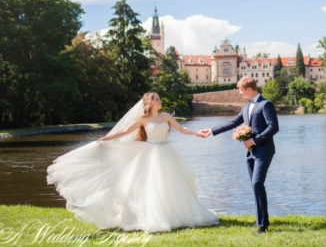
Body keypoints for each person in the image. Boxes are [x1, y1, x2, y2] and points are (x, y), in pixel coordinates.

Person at [47, 92, 219, 233]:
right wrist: (107, 138)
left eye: (159, 98)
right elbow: (124, 131)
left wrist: (197, 133)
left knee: (172, 185)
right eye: (157, 99)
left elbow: (181, 129)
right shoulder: (142, 120)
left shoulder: (166, 116)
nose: (160, 101)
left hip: (167, 153)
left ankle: (177, 215)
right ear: (150, 103)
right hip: (151, 155)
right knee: (152, 187)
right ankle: (155, 217)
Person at [199, 76, 279, 235]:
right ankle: (261, 220)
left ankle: (263, 226)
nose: (240, 93)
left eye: (241, 90)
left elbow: (274, 127)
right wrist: (212, 131)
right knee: (255, 186)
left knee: (257, 183)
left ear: (249, 90)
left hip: (264, 150)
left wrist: (254, 141)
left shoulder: (265, 104)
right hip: (250, 153)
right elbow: (233, 122)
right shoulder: (246, 106)